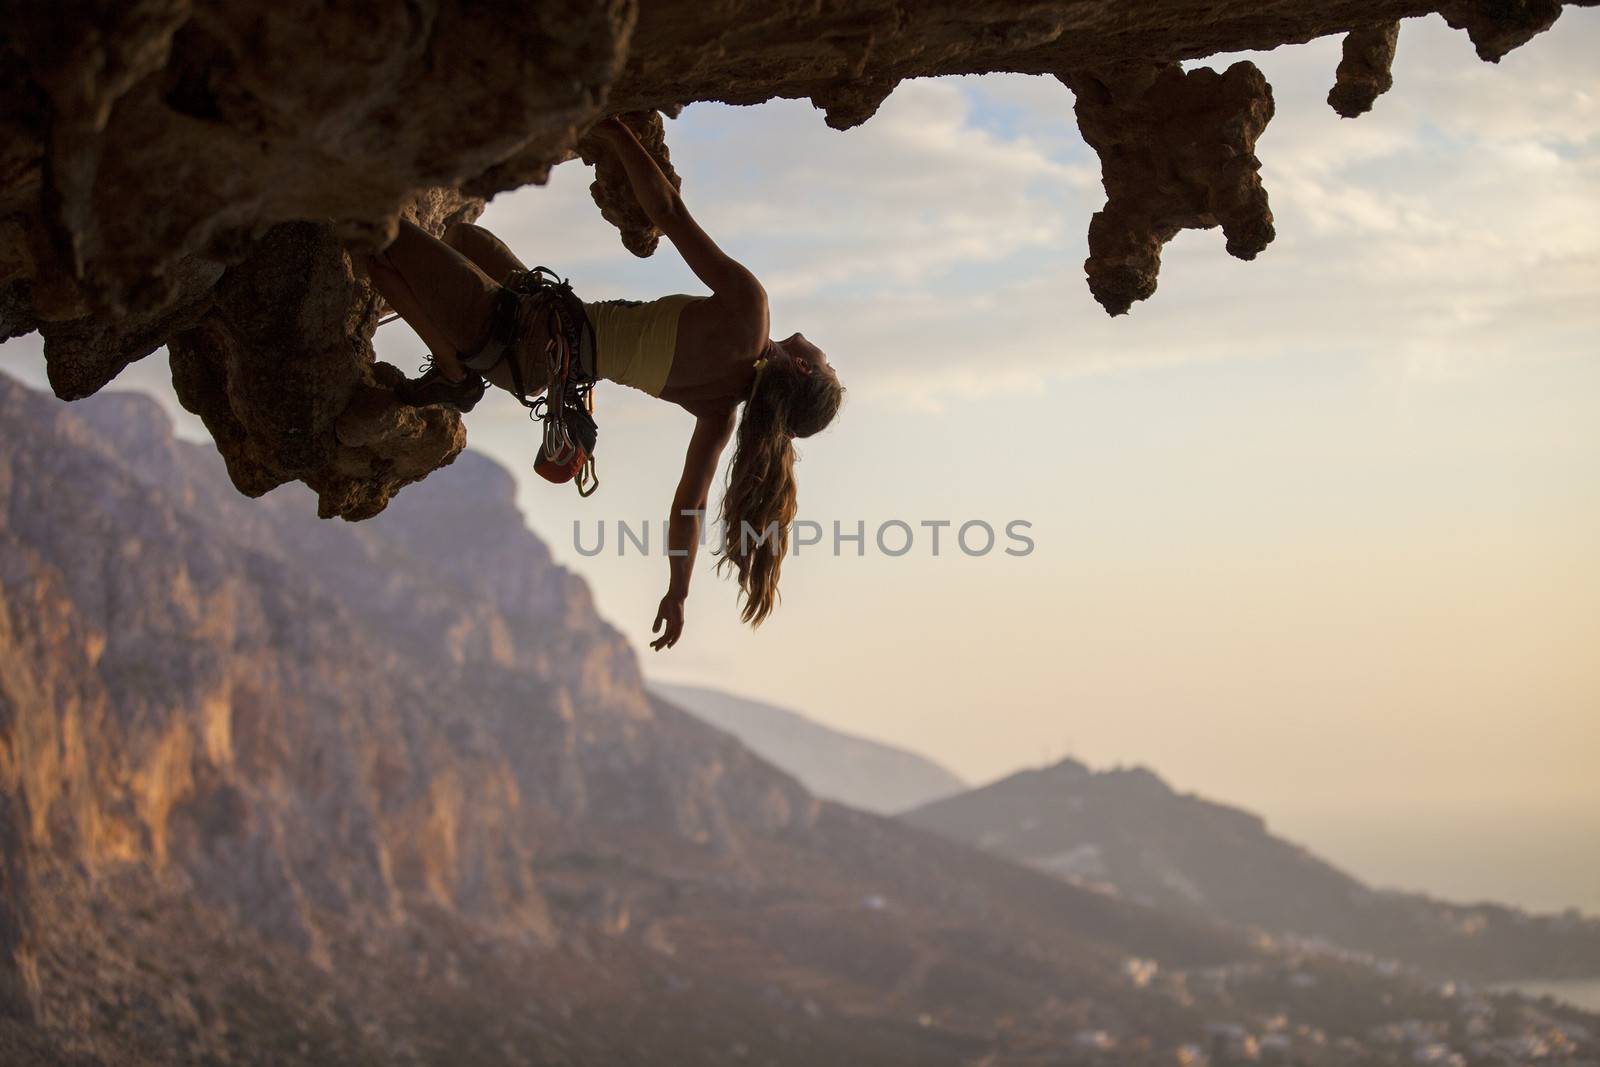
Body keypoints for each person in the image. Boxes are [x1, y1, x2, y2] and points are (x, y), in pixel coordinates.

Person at [362, 116, 844, 651]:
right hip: (532, 339)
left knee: (373, 230)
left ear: (803, 370)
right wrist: (677, 593)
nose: (825, 357)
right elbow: (689, 507)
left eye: (827, 365)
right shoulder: (718, 412)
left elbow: (668, 212)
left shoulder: (750, 312)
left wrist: (614, 133)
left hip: (517, 333)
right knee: (459, 234)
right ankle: (455, 367)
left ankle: (453, 372)